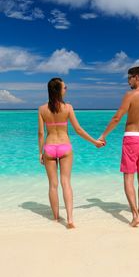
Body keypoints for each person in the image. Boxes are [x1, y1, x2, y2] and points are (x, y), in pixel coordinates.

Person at [99, 66, 139, 227]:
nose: (128, 81)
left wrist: (104, 135)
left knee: (128, 177)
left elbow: (117, 117)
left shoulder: (130, 95)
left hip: (132, 138)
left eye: (129, 78)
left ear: (137, 77)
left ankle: (135, 215)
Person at [38, 77, 104, 229]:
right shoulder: (68, 108)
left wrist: (40, 152)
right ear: (58, 90)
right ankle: (69, 219)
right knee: (66, 183)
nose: (66, 89)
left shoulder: (42, 109)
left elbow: (41, 133)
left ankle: (55, 218)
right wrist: (95, 142)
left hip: (49, 147)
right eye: (64, 87)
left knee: (53, 185)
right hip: (65, 147)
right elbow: (78, 130)